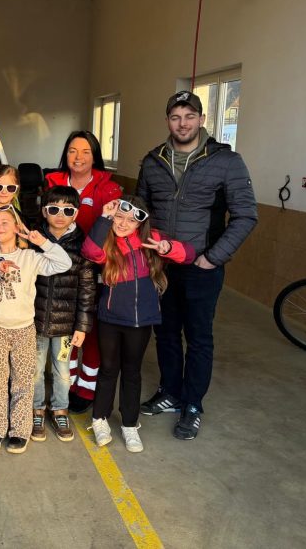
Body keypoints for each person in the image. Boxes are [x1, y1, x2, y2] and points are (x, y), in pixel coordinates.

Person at [137, 91, 257, 440]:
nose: (183, 123)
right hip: (161, 264)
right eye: (176, 117)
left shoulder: (226, 161)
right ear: (168, 121)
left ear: (202, 119)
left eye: (190, 116)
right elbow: (142, 207)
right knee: (166, 333)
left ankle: (193, 404)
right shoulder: (152, 160)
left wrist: (213, 257)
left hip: (201, 265)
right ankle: (171, 393)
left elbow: (246, 215)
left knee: (199, 337)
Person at [83, 198, 195, 452]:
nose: (123, 224)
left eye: (131, 220)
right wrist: (104, 217)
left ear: (141, 223)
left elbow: (188, 254)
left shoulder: (150, 242)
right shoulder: (107, 242)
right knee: (109, 369)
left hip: (141, 321)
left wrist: (166, 247)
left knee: (132, 371)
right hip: (111, 318)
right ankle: (99, 420)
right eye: (119, 218)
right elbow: (89, 252)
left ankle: (130, 425)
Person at [0, 206, 71, 454]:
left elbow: (63, 263)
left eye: (5, 222)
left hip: (24, 329)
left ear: (17, 227)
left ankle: (19, 431)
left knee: (23, 381)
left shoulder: (30, 257)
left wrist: (42, 241)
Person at [45, 131, 122, 413]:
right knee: (65, 328)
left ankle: (86, 387)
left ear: (95, 156)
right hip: (58, 270)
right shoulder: (51, 182)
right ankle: (68, 381)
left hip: (94, 269)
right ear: (65, 154)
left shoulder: (108, 188)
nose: (78, 157)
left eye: (86, 151)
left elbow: (116, 231)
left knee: (89, 329)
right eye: (73, 151)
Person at [32, 186, 96, 443]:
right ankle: (36, 408)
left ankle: (60, 409)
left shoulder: (83, 246)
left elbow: (88, 290)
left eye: (67, 210)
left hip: (67, 324)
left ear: (76, 214)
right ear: (44, 211)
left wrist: (81, 326)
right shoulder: (32, 241)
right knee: (34, 370)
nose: (60, 215)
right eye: (54, 209)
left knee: (62, 370)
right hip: (34, 320)